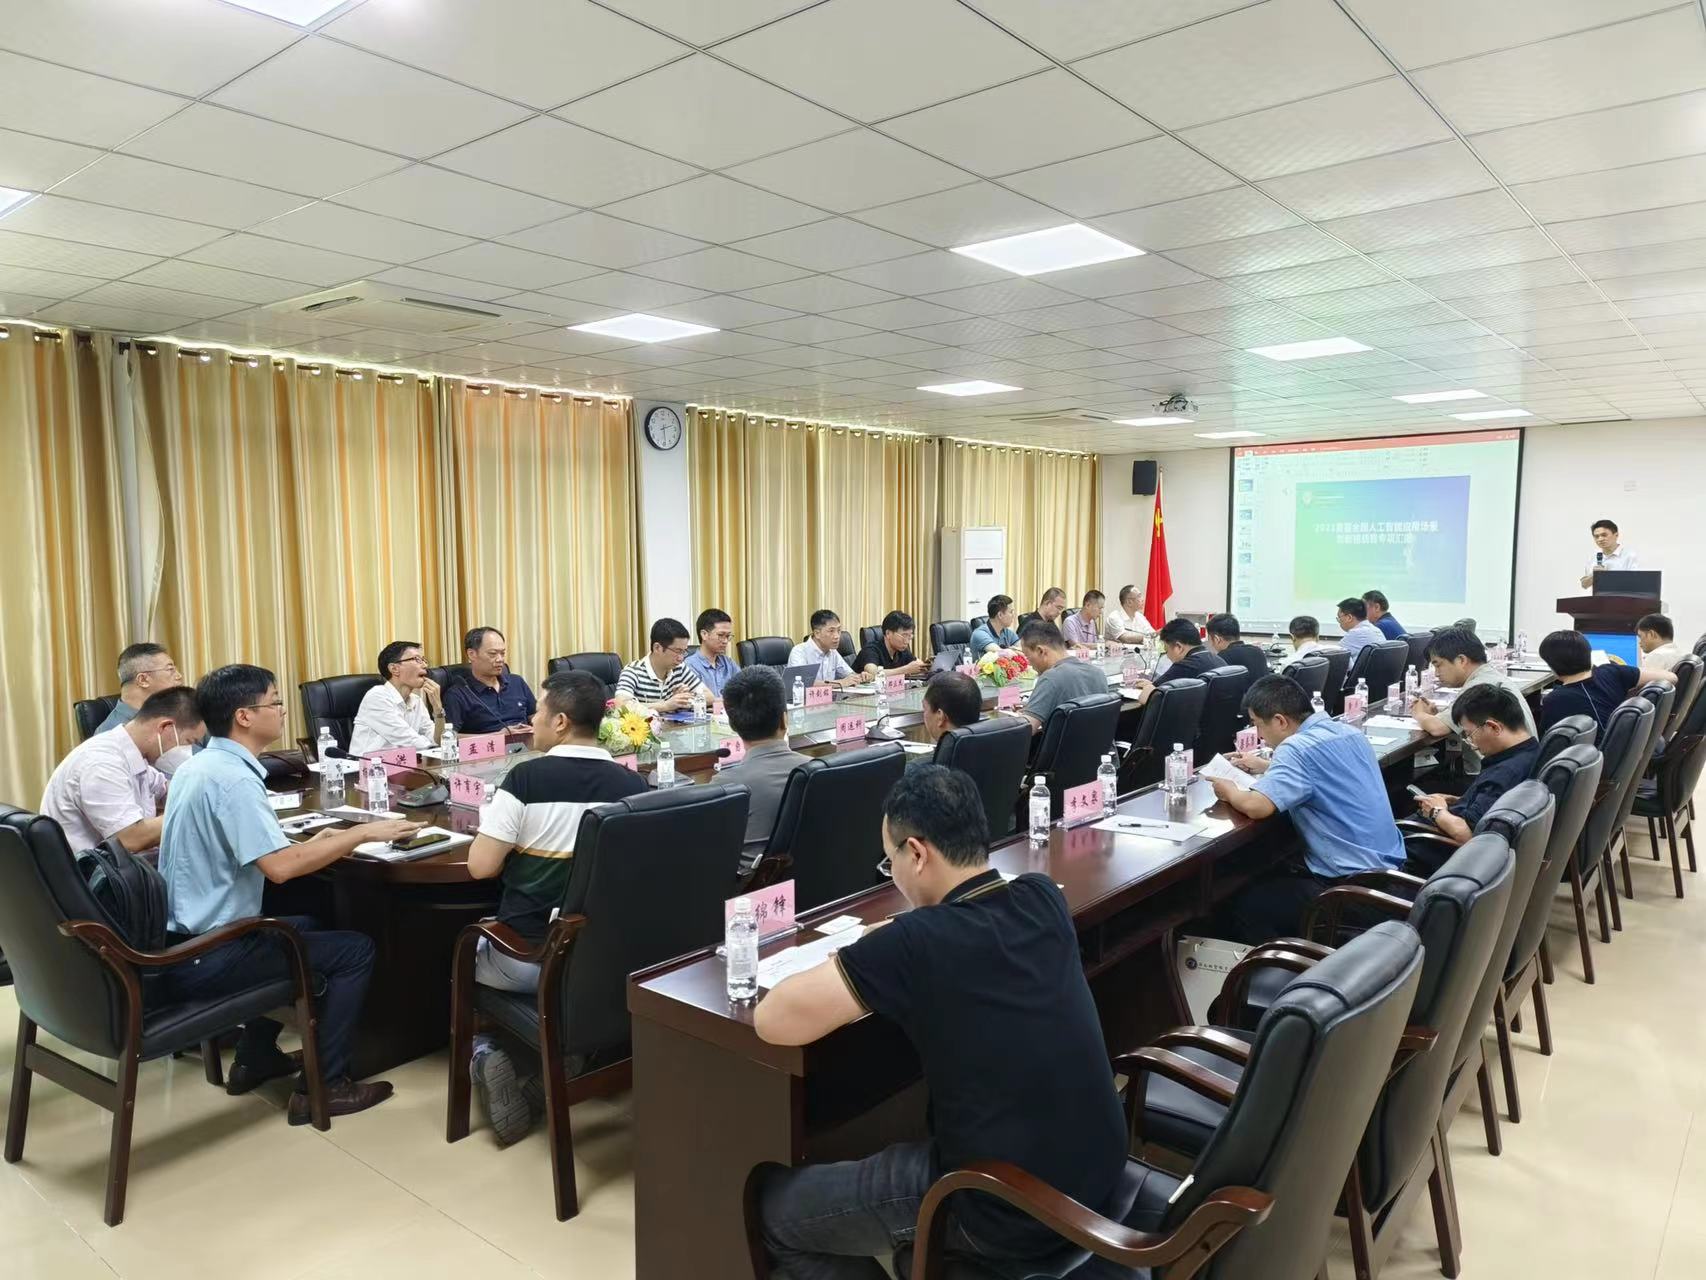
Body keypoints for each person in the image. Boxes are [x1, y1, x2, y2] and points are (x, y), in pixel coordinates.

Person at [753, 766, 1126, 1279]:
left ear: (917, 853)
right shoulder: (1042, 896)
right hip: (1094, 1175)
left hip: (1001, 1204)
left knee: (774, 1212)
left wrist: (871, 949)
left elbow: (773, 1021)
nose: (893, 873)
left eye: (890, 861)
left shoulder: (914, 944)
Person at [158, 665, 422, 1122]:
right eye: (275, 702)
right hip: (210, 952)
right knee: (355, 950)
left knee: (308, 922)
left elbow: (252, 847)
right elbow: (279, 869)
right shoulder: (235, 779)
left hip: (184, 938)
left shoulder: (201, 766)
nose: (282, 710)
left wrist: (326, 841)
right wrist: (361, 834)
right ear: (244, 716)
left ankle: (254, 1057)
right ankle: (326, 1087)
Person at [463, 670, 649, 1143]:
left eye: (538, 713)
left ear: (561, 721)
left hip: (529, 956)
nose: (531, 721)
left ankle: (484, 1052)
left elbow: (481, 867)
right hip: (602, 961)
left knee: (464, 953)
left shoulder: (526, 778)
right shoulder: (634, 784)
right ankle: (564, 1061)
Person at [1209, 675, 1406, 943]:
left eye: (1257, 724)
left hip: (1350, 890)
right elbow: (1324, 772)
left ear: (1280, 721)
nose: (1259, 735)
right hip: (1391, 877)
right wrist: (1266, 766)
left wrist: (1230, 790)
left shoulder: (1296, 748)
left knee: (1245, 905)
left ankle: (1286, 966)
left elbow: (1257, 807)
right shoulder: (1348, 731)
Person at [42, 686, 203, 854]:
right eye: (189, 741)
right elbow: (131, 839)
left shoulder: (134, 755)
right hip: (94, 868)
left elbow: (166, 789)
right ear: (166, 727)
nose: (188, 750)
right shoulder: (102, 763)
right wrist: (189, 812)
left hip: (123, 864)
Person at [1410, 684, 1540, 863]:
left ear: (1494, 727)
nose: (1471, 743)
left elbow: (1468, 836)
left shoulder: (1505, 774)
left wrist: (1436, 811)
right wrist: (1459, 800)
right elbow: (1490, 804)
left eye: (1470, 734)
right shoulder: (1531, 752)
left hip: (1428, 852)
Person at [717, 666, 814, 873]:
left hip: (753, 889)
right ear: (784, 719)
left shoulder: (724, 785)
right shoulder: (817, 770)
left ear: (732, 725)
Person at [1412, 626, 1536, 774]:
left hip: (1503, 774)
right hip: (1520, 768)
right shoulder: (1489, 675)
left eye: (1438, 665)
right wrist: (1436, 715)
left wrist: (1418, 713)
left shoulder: (1479, 686)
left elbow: (1437, 728)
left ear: (1461, 660)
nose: (1437, 673)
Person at [1538, 629, 1674, 732]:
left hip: (1590, 757)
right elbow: (1672, 677)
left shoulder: (1555, 699)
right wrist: (1631, 694)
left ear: (1552, 665)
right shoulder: (1611, 672)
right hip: (1617, 749)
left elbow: (1545, 743)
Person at [348, 640, 444, 757]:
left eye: (423, 660)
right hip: (368, 767)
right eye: (417, 659)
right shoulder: (377, 697)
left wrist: (438, 710)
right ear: (394, 669)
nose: (425, 665)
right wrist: (437, 747)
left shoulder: (416, 700)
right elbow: (407, 739)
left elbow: (439, 740)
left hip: (403, 764)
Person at [1017, 620, 1111, 733]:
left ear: (1040, 651)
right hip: (1101, 744)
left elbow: (1026, 730)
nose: (1029, 663)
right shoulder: (1098, 673)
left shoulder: (1050, 678)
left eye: (1027, 656)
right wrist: (1034, 706)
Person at [444, 627, 536, 735]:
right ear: (471, 654)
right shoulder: (458, 694)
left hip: (527, 744)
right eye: (493, 654)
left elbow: (535, 716)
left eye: (502, 653)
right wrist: (498, 736)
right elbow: (450, 736)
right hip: (489, 745)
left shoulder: (517, 682)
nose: (500, 659)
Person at [1129, 617, 1226, 706]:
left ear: (1178, 647)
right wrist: (1151, 685)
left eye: (1166, 650)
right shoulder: (1219, 660)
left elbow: (1146, 698)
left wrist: (1148, 687)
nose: (1167, 655)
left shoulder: (1185, 666)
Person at [616, 617, 704, 713]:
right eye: (677, 651)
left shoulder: (680, 668)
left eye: (683, 652)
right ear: (657, 648)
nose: (681, 658)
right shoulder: (632, 671)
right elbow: (621, 705)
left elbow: (709, 696)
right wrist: (666, 705)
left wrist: (683, 699)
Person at [96, 642, 183, 733]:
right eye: (170, 669)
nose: (179, 676)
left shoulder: (172, 715)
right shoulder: (110, 734)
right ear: (143, 680)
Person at [788, 610, 870, 687]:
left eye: (839, 630)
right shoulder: (799, 652)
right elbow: (803, 683)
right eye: (831, 631)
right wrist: (840, 683)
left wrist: (860, 677)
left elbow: (849, 674)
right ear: (817, 633)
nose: (837, 636)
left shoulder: (832, 652)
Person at [854, 610, 927, 677]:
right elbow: (872, 673)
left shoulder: (902, 649)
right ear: (888, 633)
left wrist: (926, 665)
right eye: (904, 635)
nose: (907, 641)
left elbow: (918, 664)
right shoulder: (871, 649)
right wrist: (906, 670)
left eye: (910, 636)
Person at [684, 608, 739, 696]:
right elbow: (695, 699)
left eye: (728, 636)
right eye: (721, 635)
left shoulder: (728, 663)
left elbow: (744, 689)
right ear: (704, 634)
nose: (725, 641)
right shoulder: (689, 666)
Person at [1205, 613, 1270, 681]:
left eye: (1211, 640)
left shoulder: (1221, 659)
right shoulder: (1257, 651)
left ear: (1217, 639)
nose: (1211, 645)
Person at [922, 671, 982, 743]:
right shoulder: (988, 747)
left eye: (925, 708)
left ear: (940, 716)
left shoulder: (947, 750)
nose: (924, 715)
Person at [1580, 518, 1638, 588]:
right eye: (1596, 536)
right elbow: (1584, 585)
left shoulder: (1630, 556)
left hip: (1623, 594)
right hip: (1598, 595)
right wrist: (1594, 575)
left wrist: (1609, 576)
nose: (1600, 539)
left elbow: (1637, 582)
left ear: (1616, 535)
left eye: (1604, 535)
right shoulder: (1593, 558)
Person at [1336, 597, 1383, 661]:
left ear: (1349, 618)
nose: (1339, 621)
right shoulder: (1377, 630)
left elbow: (1334, 654)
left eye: (1339, 617)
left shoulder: (1355, 633)